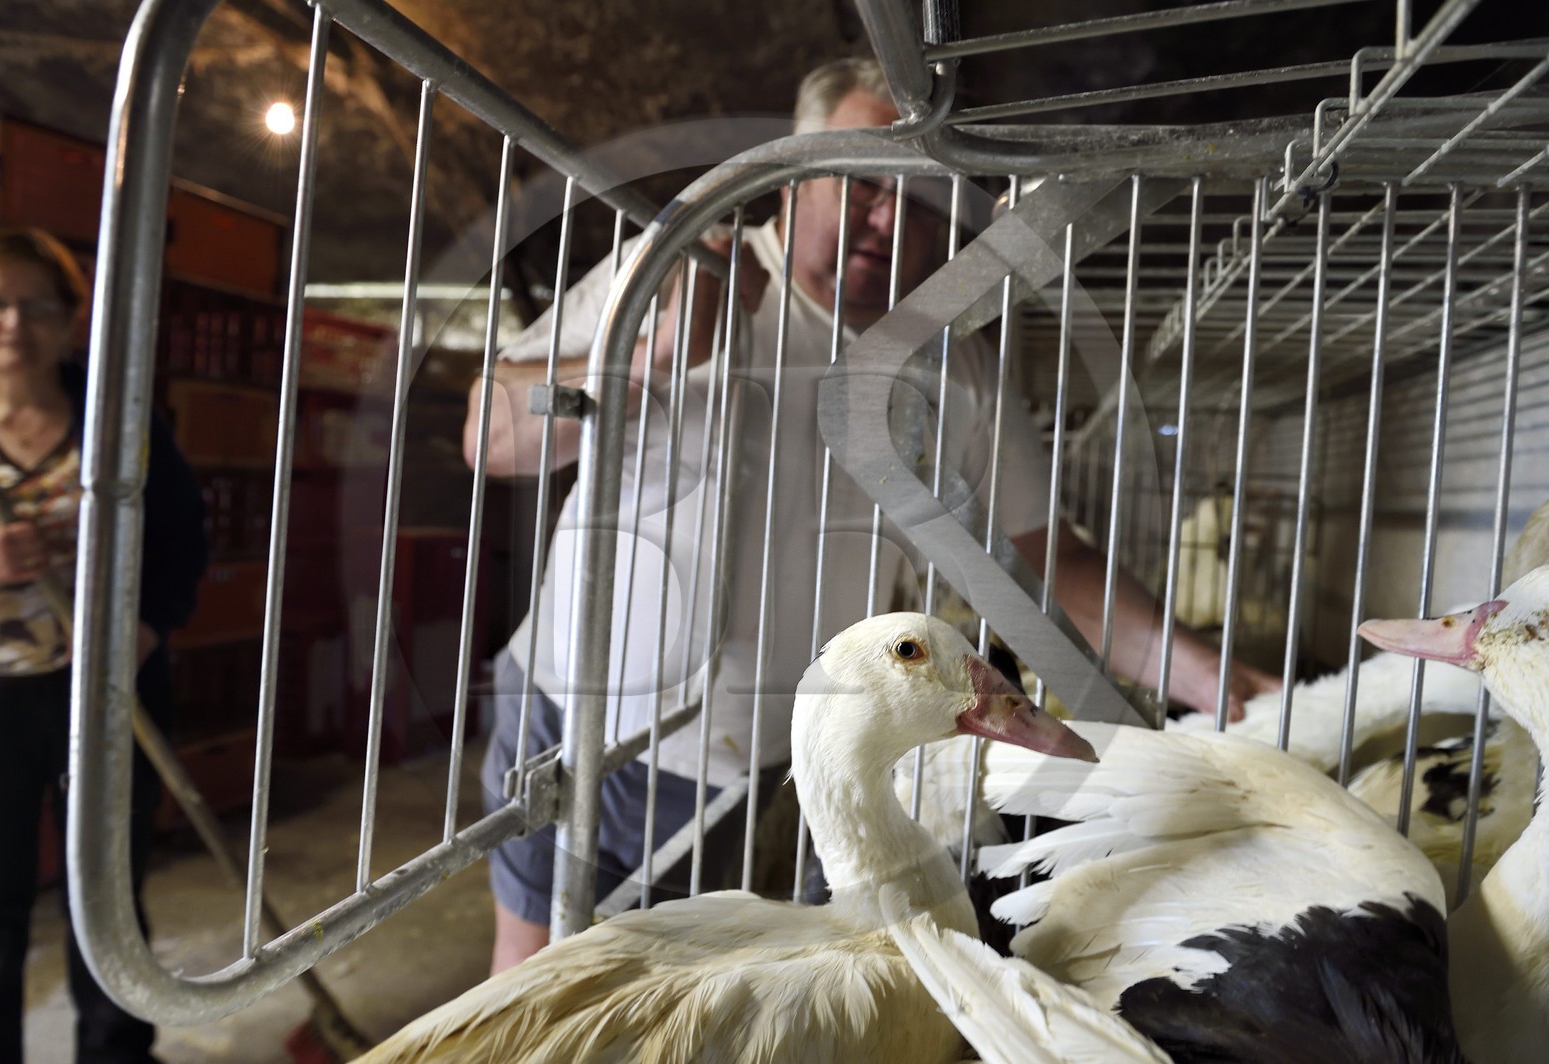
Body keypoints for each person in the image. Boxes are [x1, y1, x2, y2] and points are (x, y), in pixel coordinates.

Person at [463, 57, 1282, 974]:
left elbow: (1044, 556)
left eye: (924, 197)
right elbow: (486, 437)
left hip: (777, 760)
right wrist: (650, 355)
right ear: (793, 169)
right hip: (581, 715)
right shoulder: (678, 267)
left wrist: (1203, 673)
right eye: (861, 182)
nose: (890, 216)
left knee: (703, 995)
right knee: (535, 983)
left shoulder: (956, 366)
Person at [0, 225, 208, 1064]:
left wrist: (141, 631)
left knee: (105, 895)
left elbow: (181, 542)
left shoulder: (119, 419)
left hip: (101, 697)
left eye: (37, 305)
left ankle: (114, 1054)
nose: (13, 323)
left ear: (69, 320)